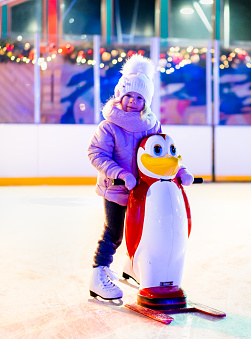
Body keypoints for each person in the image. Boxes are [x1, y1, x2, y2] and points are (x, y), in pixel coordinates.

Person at [87, 54, 194, 300]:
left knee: (146, 232)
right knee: (114, 234)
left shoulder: (150, 124)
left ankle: (133, 267)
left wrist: (180, 171)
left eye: (139, 97)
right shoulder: (109, 126)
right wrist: (121, 174)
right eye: (129, 95)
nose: (133, 101)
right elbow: (96, 153)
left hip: (145, 192)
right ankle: (98, 274)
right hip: (116, 190)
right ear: (119, 95)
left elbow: (161, 151)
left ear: (146, 102)